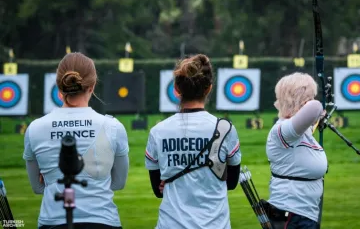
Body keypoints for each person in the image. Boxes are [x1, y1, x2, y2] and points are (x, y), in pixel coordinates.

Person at [23, 53, 129, 229]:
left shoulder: (35, 128)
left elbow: (37, 188)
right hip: (103, 222)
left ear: (59, 85)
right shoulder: (113, 126)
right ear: (93, 85)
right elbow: (118, 183)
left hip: (53, 223)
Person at [145, 54, 241, 229]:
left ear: (176, 89)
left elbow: (157, 190)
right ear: (209, 88)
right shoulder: (226, 129)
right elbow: (232, 183)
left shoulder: (158, 131)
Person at [265, 72, 328, 229]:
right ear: (301, 100)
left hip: (304, 214)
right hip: (291, 215)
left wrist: (316, 119)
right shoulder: (282, 131)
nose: (313, 100)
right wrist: (316, 113)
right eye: (310, 97)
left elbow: (310, 117)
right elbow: (315, 108)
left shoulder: (301, 131)